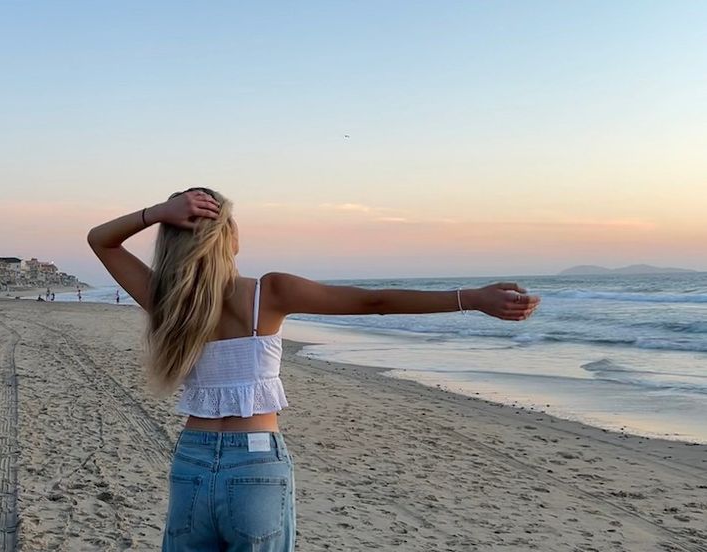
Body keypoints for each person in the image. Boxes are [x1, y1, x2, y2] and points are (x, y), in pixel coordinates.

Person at [87, 188, 540, 551]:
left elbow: (100, 238)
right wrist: (472, 299)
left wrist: (157, 212)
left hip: (192, 460)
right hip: (256, 459)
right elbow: (374, 302)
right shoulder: (271, 292)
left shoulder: (167, 300)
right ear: (231, 236)